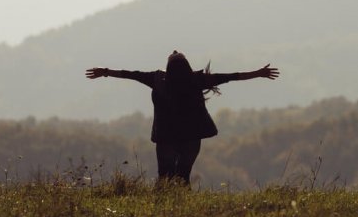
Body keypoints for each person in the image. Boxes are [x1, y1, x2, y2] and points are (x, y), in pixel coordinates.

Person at [85, 51, 279, 184]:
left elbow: (130, 74)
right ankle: (182, 209)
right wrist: (259, 73)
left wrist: (106, 72)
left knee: (164, 176)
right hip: (191, 136)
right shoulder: (197, 80)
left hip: (166, 136)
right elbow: (233, 76)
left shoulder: (158, 79)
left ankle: (162, 211)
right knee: (183, 175)